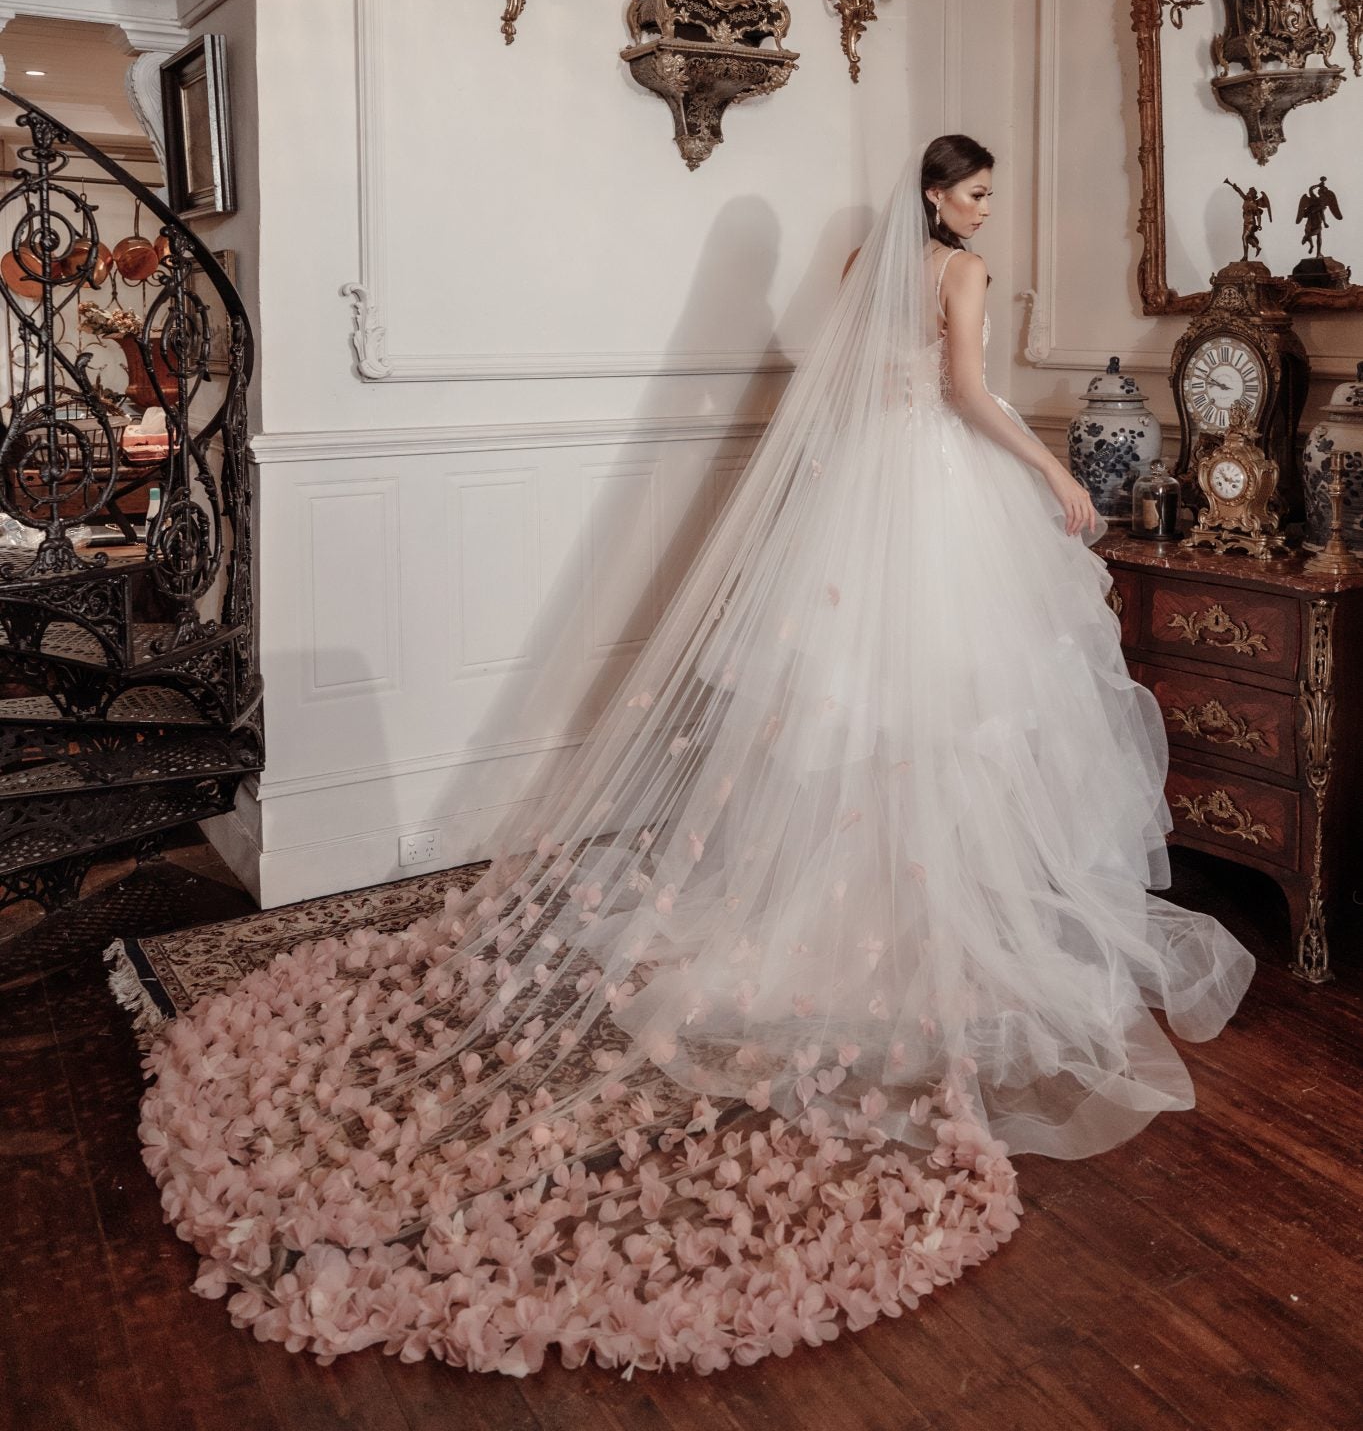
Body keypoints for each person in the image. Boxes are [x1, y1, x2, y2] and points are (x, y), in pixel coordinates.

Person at [140, 135, 1253, 1377]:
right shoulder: (963, 273)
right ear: (939, 197)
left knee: (858, 719)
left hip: (862, 498)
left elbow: (838, 390)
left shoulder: (856, 259)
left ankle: (859, 895)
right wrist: (1054, 468)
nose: (991, 208)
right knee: (938, 717)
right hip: (935, 493)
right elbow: (965, 398)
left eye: (990, 189)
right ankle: (917, 907)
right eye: (979, 190)